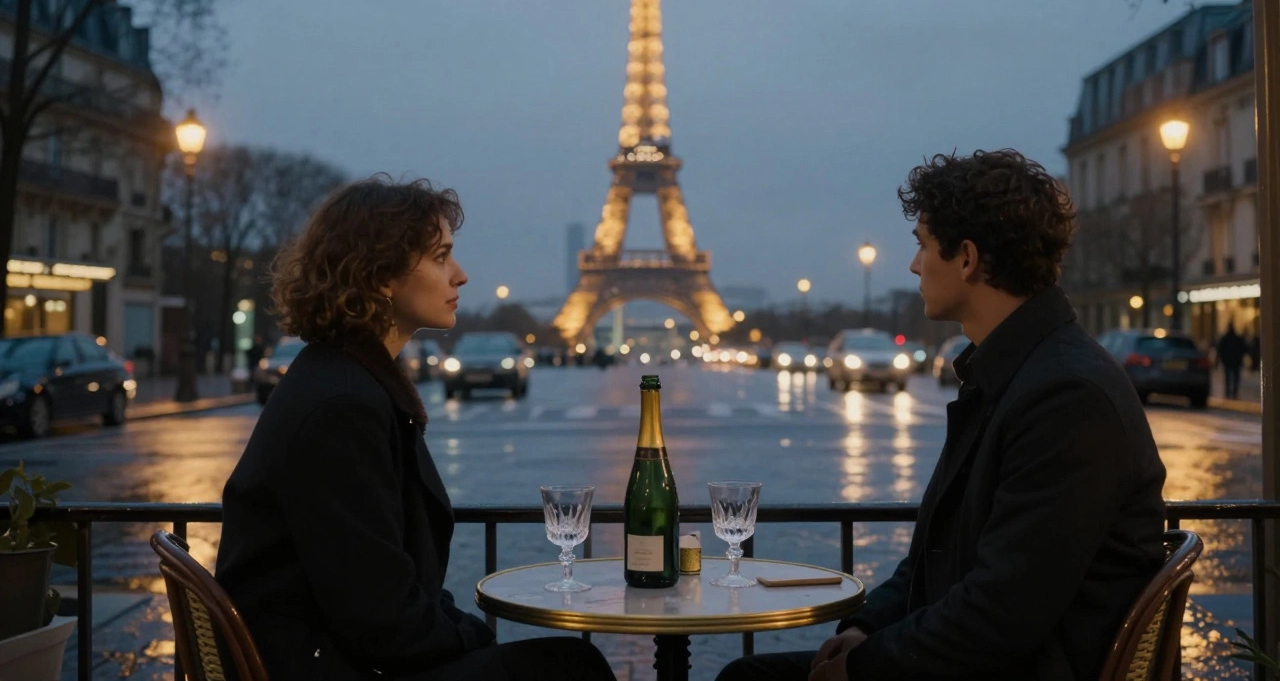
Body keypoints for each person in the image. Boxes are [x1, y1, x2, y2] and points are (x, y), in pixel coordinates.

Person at [716, 150, 1168, 681]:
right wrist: (866, 628)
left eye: (923, 246)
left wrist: (864, 668)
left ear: (968, 258)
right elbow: (939, 564)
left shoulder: (1064, 396)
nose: (913, 265)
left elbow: (1002, 611)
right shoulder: (1023, 375)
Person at [215, 177, 616, 681]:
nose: (461, 275)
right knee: (571, 667)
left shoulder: (339, 381)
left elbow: (377, 586)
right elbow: (377, 611)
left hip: (323, 657)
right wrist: (474, 635)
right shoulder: (344, 404)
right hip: (326, 668)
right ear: (382, 275)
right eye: (441, 256)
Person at [1216, 323, 1248, 400]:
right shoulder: (1236, 338)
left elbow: (1219, 350)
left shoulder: (1225, 338)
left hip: (1229, 361)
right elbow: (1244, 348)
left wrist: (1217, 360)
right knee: (1234, 378)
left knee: (1229, 378)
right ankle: (1233, 393)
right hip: (1235, 361)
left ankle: (1229, 393)